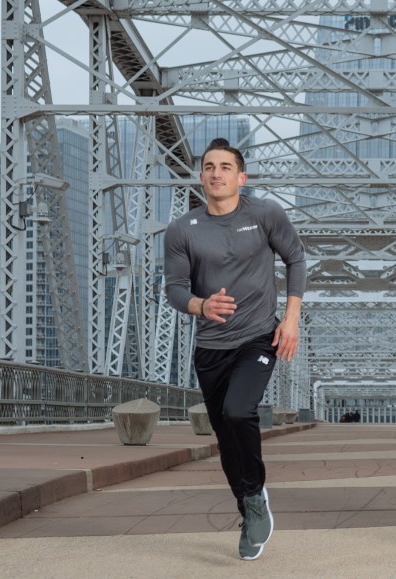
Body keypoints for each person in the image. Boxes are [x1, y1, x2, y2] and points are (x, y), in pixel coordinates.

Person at [164, 138, 306, 561]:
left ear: (241, 178)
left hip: (258, 336)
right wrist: (200, 305)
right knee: (226, 440)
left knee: (238, 411)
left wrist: (291, 318)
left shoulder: (264, 214)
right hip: (210, 347)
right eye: (209, 166)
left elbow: (295, 258)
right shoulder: (182, 230)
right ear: (201, 176)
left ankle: (257, 500)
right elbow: (173, 288)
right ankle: (248, 503)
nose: (216, 173)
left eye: (226, 167)